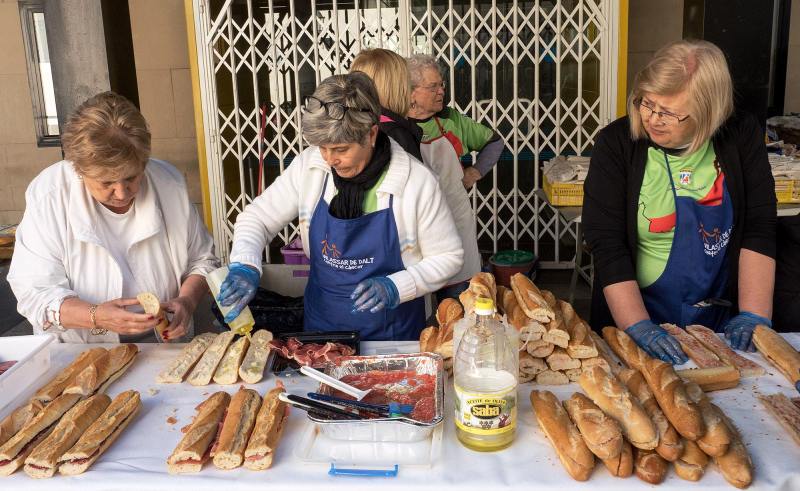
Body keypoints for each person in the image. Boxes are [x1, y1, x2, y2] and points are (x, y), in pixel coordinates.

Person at [217, 73, 464, 341]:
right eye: (323, 147)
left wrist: (396, 286)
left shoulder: (416, 182)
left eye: (341, 149)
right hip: (321, 332)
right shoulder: (310, 168)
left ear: (371, 133)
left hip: (392, 339)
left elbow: (448, 257)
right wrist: (245, 264)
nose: (330, 159)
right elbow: (257, 218)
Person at [583, 40, 776, 364]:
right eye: (646, 103)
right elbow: (606, 242)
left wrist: (754, 314)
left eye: (670, 113)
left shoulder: (740, 135)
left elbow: (759, 225)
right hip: (635, 313)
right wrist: (637, 325)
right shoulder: (616, 143)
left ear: (708, 111)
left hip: (720, 324)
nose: (653, 118)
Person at [9, 91, 219, 343]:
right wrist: (95, 316)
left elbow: (202, 260)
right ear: (78, 169)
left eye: (131, 177)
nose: (121, 192)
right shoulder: (50, 196)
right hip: (81, 350)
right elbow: (35, 292)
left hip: (163, 344)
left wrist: (187, 300)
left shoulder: (169, 183)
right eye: (106, 182)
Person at [407, 54, 505, 300]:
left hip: (454, 221)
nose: (441, 91)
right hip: (416, 227)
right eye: (433, 87)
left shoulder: (452, 120)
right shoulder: (398, 127)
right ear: (411, 93)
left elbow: (495, 142)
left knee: (459, 300)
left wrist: (475, 171)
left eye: (441, 85)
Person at [350, 48, 423, 161]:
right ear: (396, 87)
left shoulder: (349, 123)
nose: (410, 89)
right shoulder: (396, 134)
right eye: (408, 82)